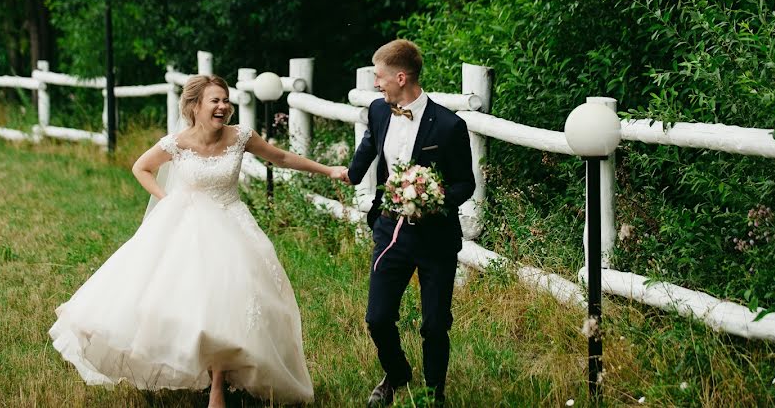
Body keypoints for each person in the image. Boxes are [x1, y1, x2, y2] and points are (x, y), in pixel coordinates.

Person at [49, 74, 348, 407]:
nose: (223, 107)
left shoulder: (240, 137)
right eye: (214, 101)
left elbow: (281, 158)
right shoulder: (177, 142)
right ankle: (199, 370)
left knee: (234, 299)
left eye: (225, 100)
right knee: (190, 301)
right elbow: (141, 168)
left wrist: (329, 170)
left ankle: (219, 382)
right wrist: (167, 199)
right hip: (187, 225)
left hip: (233, 223)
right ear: (194, 106)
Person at [343, 40, 475, 407]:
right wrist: (349, 174)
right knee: (377, 317)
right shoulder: (378, 111)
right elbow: (369, 148)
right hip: (389, 230)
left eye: (379, 77)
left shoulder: (449, 126)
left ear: (401, 77)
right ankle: (397, 372)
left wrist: (433, 198)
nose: (375, 84)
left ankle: (435, 393)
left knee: (434, 324)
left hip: (436, 238)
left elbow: (466, 183)